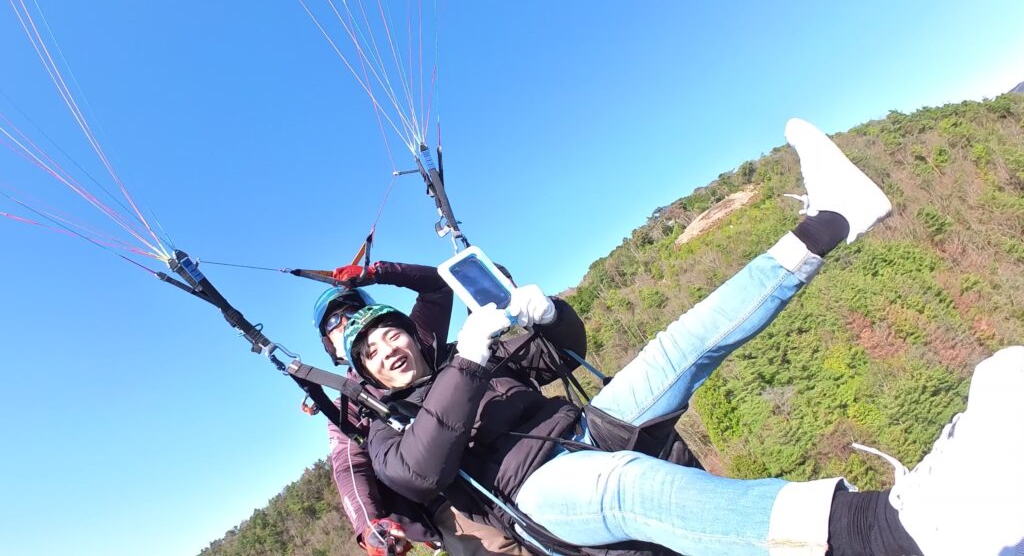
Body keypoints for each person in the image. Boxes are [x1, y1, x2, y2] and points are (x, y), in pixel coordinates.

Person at [336, 118, 1024, 556]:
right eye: (369, 353)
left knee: (678, 345)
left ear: (413, 337)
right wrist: (468, 361)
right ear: (364, 375)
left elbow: (560, 352)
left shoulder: (475, 356)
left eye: (390, 335)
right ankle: (898, 531)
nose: (386, 349)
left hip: (584, 429)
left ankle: (832, 220)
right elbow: (419, 471)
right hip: (541, 497)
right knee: (626, 485)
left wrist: (547, 315)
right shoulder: (384, 429)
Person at [313, 262, 528, 556]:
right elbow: (349, 466)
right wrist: (368, 524)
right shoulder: (348, 404)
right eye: (332, 323)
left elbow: (439, 286)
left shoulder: (413, 340)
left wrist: (379, 272)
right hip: (447, 497)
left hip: (501, 447)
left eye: (351, 310)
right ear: (330, 345)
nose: (343, 322)